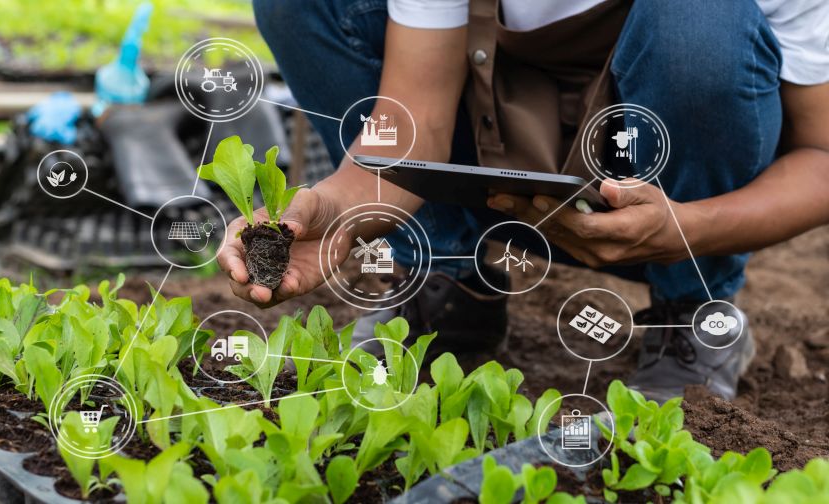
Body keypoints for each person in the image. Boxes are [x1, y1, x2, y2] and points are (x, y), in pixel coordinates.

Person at [220, 0, 829, 403]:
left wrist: (690, 229)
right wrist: (332, 208)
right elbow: (413, 119)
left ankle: (690, 311)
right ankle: (451, 280)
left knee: (696, 26)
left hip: (677, 196)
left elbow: (822, 158)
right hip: (508, 157)